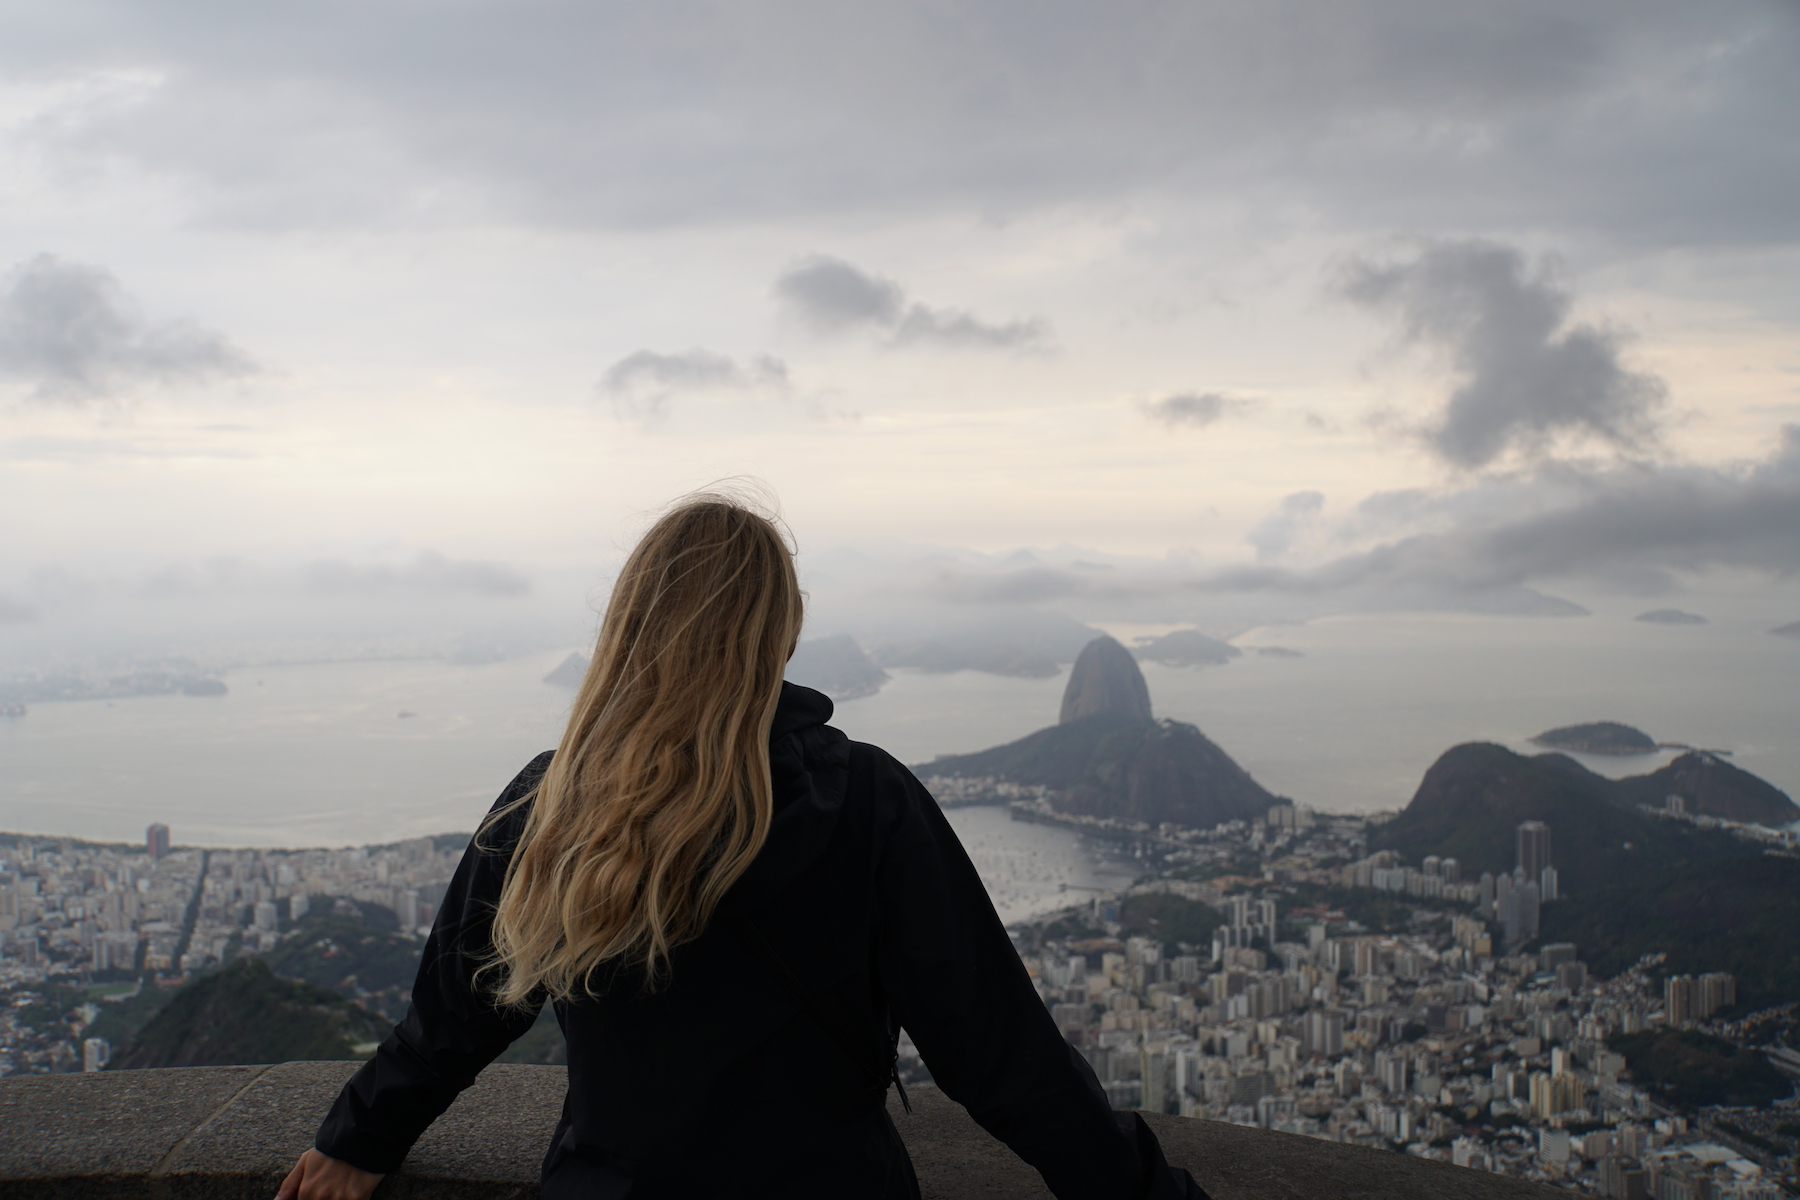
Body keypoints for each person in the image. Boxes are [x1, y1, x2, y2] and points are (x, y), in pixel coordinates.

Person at [277, 494, 1206, 1200]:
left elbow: (458, 1011)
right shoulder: (865, 800)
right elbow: (1003, 1057)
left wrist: (360, 1138)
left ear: (628, 623)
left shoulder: (553, 802)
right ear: (783, 633)